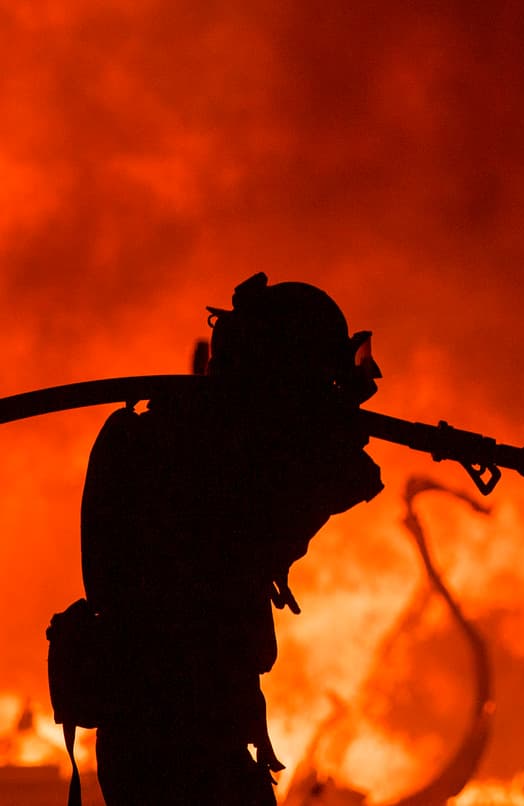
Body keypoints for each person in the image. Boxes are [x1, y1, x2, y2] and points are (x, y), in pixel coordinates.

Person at [80, 273, 384, 804]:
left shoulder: (173, 440)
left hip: (169, 732)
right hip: (178, 736)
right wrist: (321, 444)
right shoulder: (198, 460)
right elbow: (261, 527)